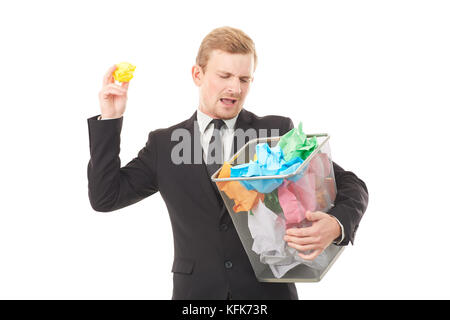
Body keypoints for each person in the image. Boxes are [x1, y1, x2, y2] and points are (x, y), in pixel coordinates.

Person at [87, 26, 369, 300]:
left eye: (244, 79)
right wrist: (110, 119)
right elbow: (106, 197)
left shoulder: (274, 132)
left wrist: (336, 224)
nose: (235, 88)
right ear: (198, 74)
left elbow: (350, 183)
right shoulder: (165, 144)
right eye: (224, 76)